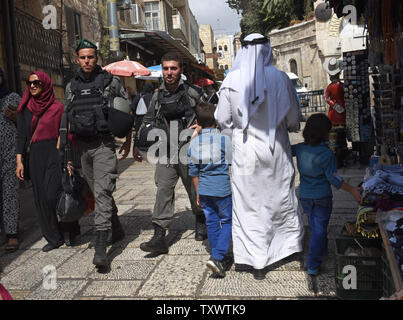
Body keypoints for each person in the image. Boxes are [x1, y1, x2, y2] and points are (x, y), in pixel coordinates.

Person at [215, 33, 304, 280]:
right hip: (276, 150)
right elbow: (294, 119)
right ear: (267, 49)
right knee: (279, 198)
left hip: (245, 152)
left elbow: (223, 120)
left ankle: (255, 260)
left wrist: (237, 135)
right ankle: (286, 249)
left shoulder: (231, 80)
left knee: (249, 204)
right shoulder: (282, 78)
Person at [133, 52, 207, 255]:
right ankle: (159, 236)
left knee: (194, 190)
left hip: (189, 148)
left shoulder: (194, 92)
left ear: (180, 70)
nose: (169, 72)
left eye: (173, 68)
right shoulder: (157, 96)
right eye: (165, 68)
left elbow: (210, 115)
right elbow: (147, 120)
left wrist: (199, 127)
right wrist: (139, 142)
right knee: (163, 189)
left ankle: (201, 219)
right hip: (165, 150)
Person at [63, 39, 129, 267]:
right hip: (82, 147)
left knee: (102, 193)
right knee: (97, 191)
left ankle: (101, 247)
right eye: (82, 57)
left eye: (90, 57)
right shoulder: (71, 86)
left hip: (103, 145)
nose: (87, 61)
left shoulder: (111, 82)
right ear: (77, 58)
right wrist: (68, 154)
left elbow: (125, 113)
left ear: (97, 57)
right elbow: (67, 119)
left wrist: (129, 142)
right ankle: (117, 227)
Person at [16, 71, 80, 252]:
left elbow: (68, 134)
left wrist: (69, 160)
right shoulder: (25, 108)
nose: (33, 86)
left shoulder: (58, 108)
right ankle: (53, 236)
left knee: (57, 193)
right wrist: (19, 161)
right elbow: (21, 137)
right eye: (29, 83)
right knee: (42, 198)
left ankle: (70, 230)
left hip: (55, 153)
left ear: (45, 84)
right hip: (34, 156)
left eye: (37, 83)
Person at [292, 113, 362, 276]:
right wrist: (352, 190)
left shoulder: (300, 149)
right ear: (324, 133)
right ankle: (313, 263)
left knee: (315, 225)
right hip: (322, 196)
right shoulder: (327, 154)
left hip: (305, 196)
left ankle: (321, 250)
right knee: (319, 229)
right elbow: (334, 178)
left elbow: (284, 149)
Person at [188, 102, 232, 278]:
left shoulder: (194, 143)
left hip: (204, 189)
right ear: (216, 121)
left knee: (212, 222)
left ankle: (217, 257)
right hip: (222, 188)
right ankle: (217, 256)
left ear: (197, 121)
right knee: (227, 221)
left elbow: (193, 172)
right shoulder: (224, 139)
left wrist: (198, 192)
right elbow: (230, 161)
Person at [0, 68, 21, 253]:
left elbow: (26, 121)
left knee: (9, 194)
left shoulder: (12, 98)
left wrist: (15, 116)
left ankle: (12, 234)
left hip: (10, 154)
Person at [323, 58, 348, 167]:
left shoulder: (331, 87)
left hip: (334, 114)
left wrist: (334, 105)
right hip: (341, 114)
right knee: (341, 138)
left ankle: (336, 160)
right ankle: (341, 159)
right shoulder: (342, 86)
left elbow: (327, 99)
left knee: (333, 139)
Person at [130, 83, 153, 162]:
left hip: (139, 118)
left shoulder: (138, 96)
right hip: (149, 119)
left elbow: (133, 107)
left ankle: (138, 150)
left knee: (138, 134)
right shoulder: (152, 96)